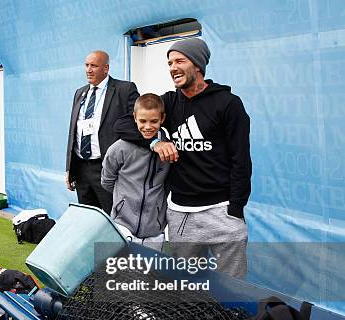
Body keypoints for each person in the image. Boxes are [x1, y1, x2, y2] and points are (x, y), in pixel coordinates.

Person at [150, 37, 252, 278]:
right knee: (186, 287)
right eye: (169, 62)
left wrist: (235, 208)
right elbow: (127, 122)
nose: (172, 67)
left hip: (221, 211)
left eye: (179, 61)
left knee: (232, 289)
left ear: (197, 65)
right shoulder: (168, 102)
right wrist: (156, 141)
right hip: (180, 213)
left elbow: (241, 160)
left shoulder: (228, 104)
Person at [65, 50, 139, 213]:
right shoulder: (80, 93)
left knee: (113, 217)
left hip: (108, 167)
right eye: (86, 65)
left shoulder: (124, 90)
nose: (88, 70)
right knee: (88, 218)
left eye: (94, 66)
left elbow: (137, 126)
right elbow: (73, 132)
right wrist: (69, 168)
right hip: (82, 168)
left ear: (106, 68)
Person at [101, 94, 170, 251]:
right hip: (123, 225)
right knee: (123, 272)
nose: (148, 126)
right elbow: (107, 181)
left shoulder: (168, 148)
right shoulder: (119, 148)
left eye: (154, 121)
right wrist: (124, 199)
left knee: (151, 274)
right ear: (134, 118)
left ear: (162, 119)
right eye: (143, 121)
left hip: (155, 229)